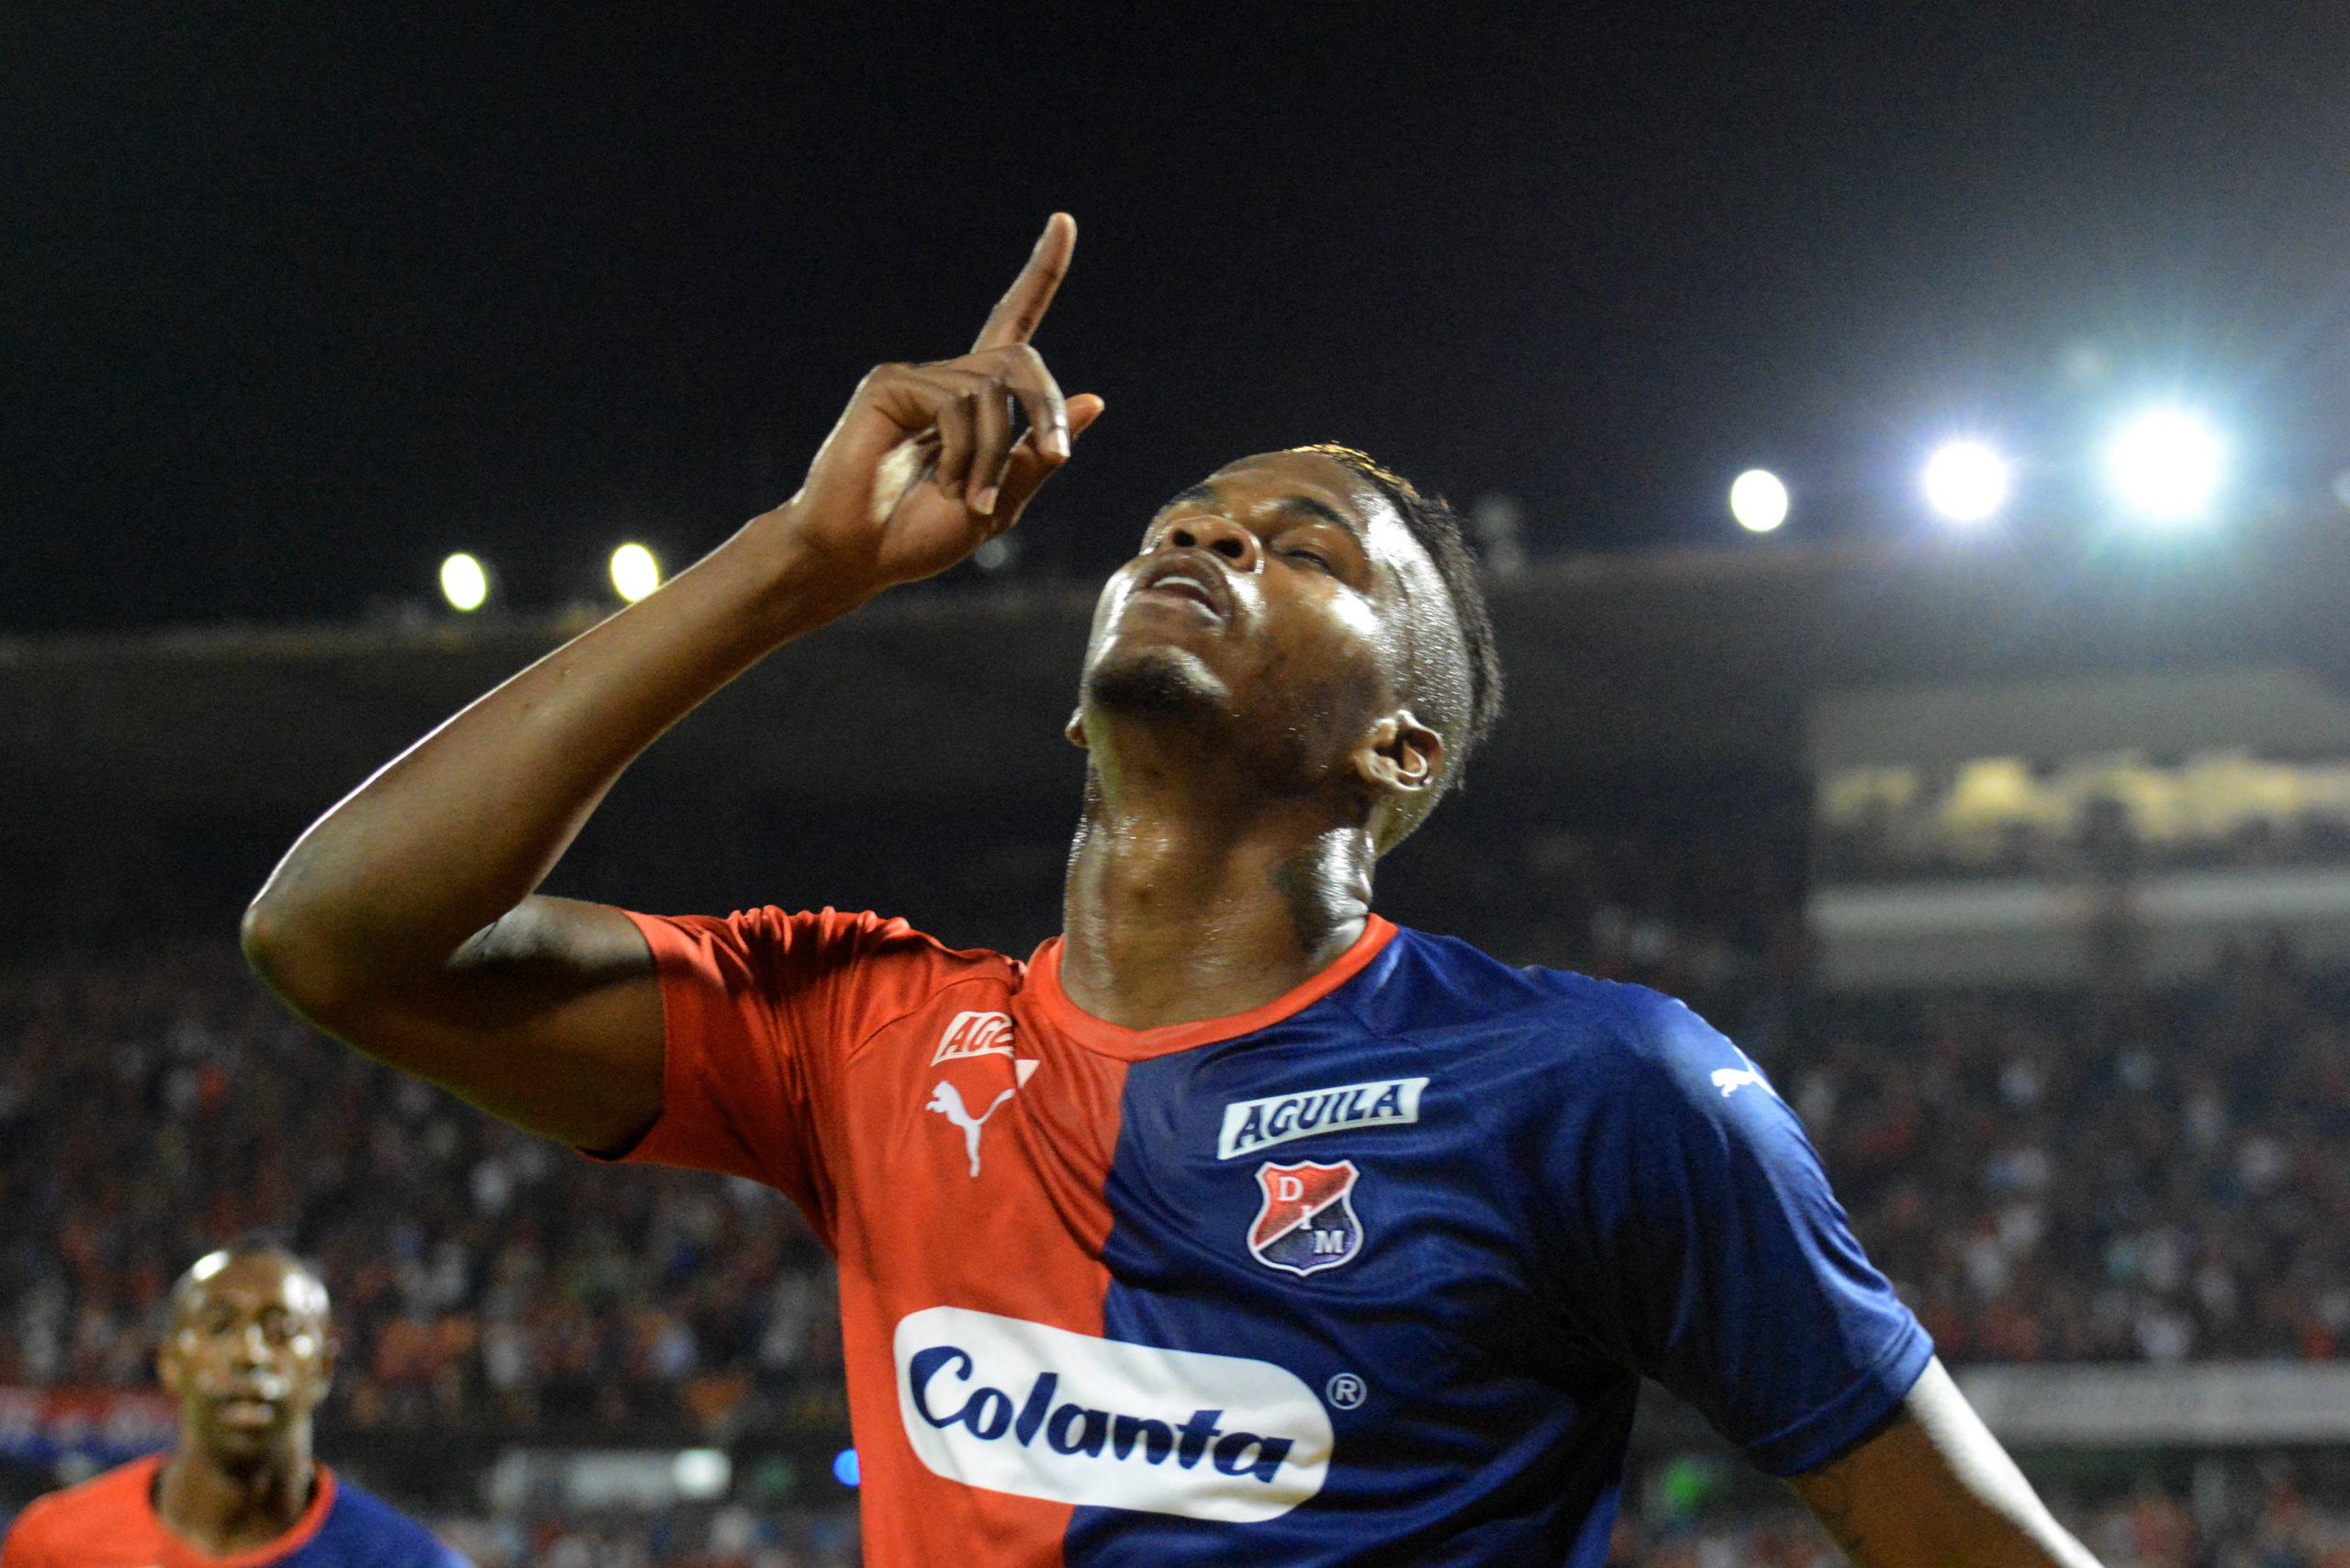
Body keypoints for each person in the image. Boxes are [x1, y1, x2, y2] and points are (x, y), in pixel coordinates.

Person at [241, 215, 2099, 1566]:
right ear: (1078, 699)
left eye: (1309, 549)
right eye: (1181, 522)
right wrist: (798, 566)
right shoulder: (862, 1036)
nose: (1211, 531)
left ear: (1398, 748)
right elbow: (334, 941)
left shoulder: (1595, 1086)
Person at [2, 1239, 465, 1567]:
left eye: (281, 1330)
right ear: (169, 1361)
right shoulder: (53, 1548)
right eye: (219, 1326)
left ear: (325, 1366)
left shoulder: (410, 1561)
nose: (250, 1354)